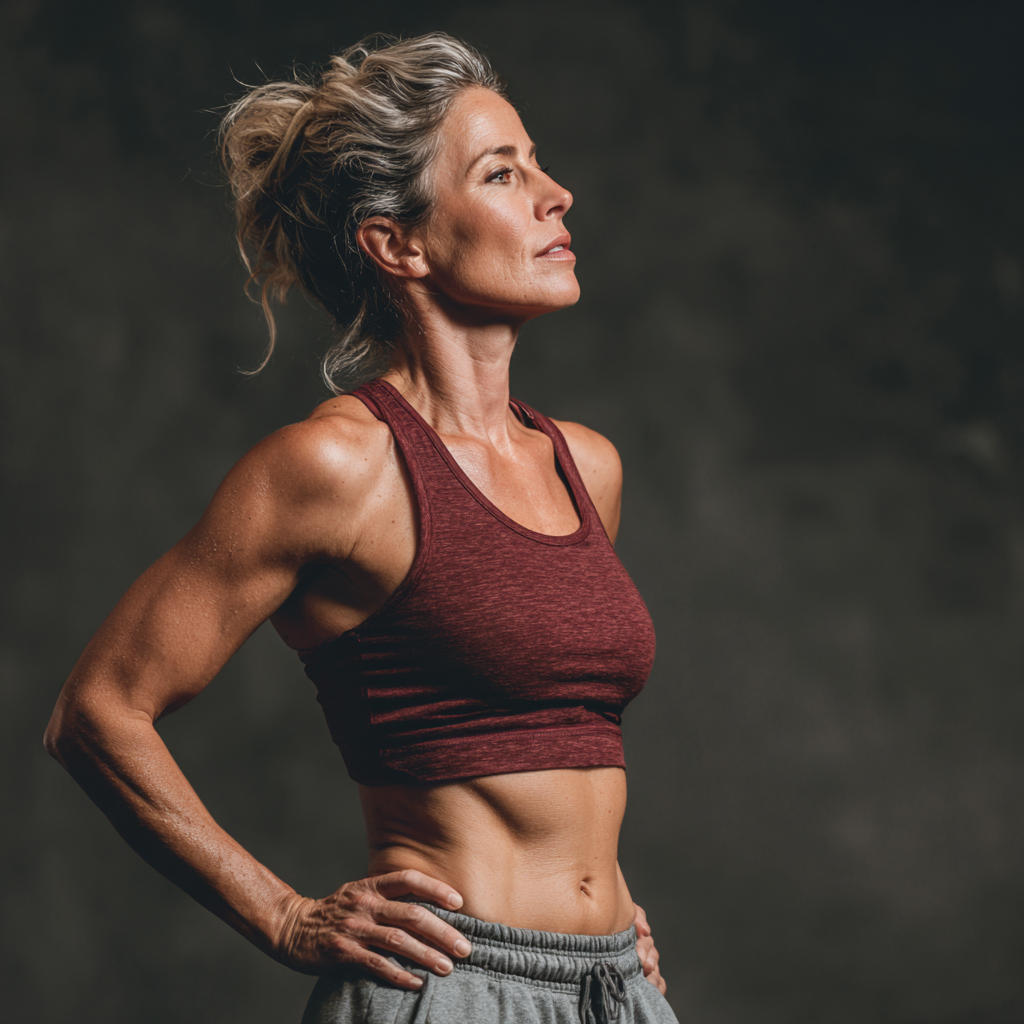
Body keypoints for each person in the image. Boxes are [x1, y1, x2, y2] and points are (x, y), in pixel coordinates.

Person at [44, 32, 676, 1024]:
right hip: (455, 985)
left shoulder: (584, 466)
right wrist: (284, 914)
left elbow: (553, 728)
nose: (557, 195)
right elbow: (98, 710)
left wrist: (613, 922)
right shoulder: (336, 469)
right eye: (503, 172)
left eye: (537, 162)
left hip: (613, 987)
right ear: (398, 243)